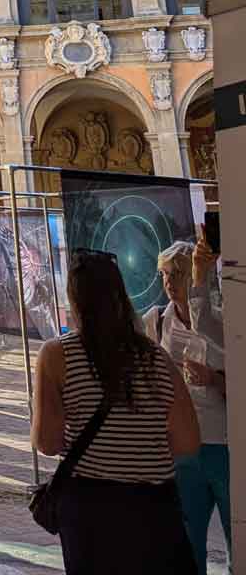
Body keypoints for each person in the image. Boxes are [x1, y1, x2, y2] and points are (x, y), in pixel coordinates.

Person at [32, 248, 200, 574]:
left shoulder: (55, 356)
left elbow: (47, 443)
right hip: (154, 512)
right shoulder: (157, 358)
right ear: (119, 295)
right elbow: (189, 443)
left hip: (90, 514)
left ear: (75, 299)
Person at [146, 236, 230, 574]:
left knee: (236, 540)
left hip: (224, 445)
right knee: (186, 544)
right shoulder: (156, 321)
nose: (169, 282)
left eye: (177, 274)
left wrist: (214, 379)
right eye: (165, 274)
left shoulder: (222, 321)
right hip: (182, 448)